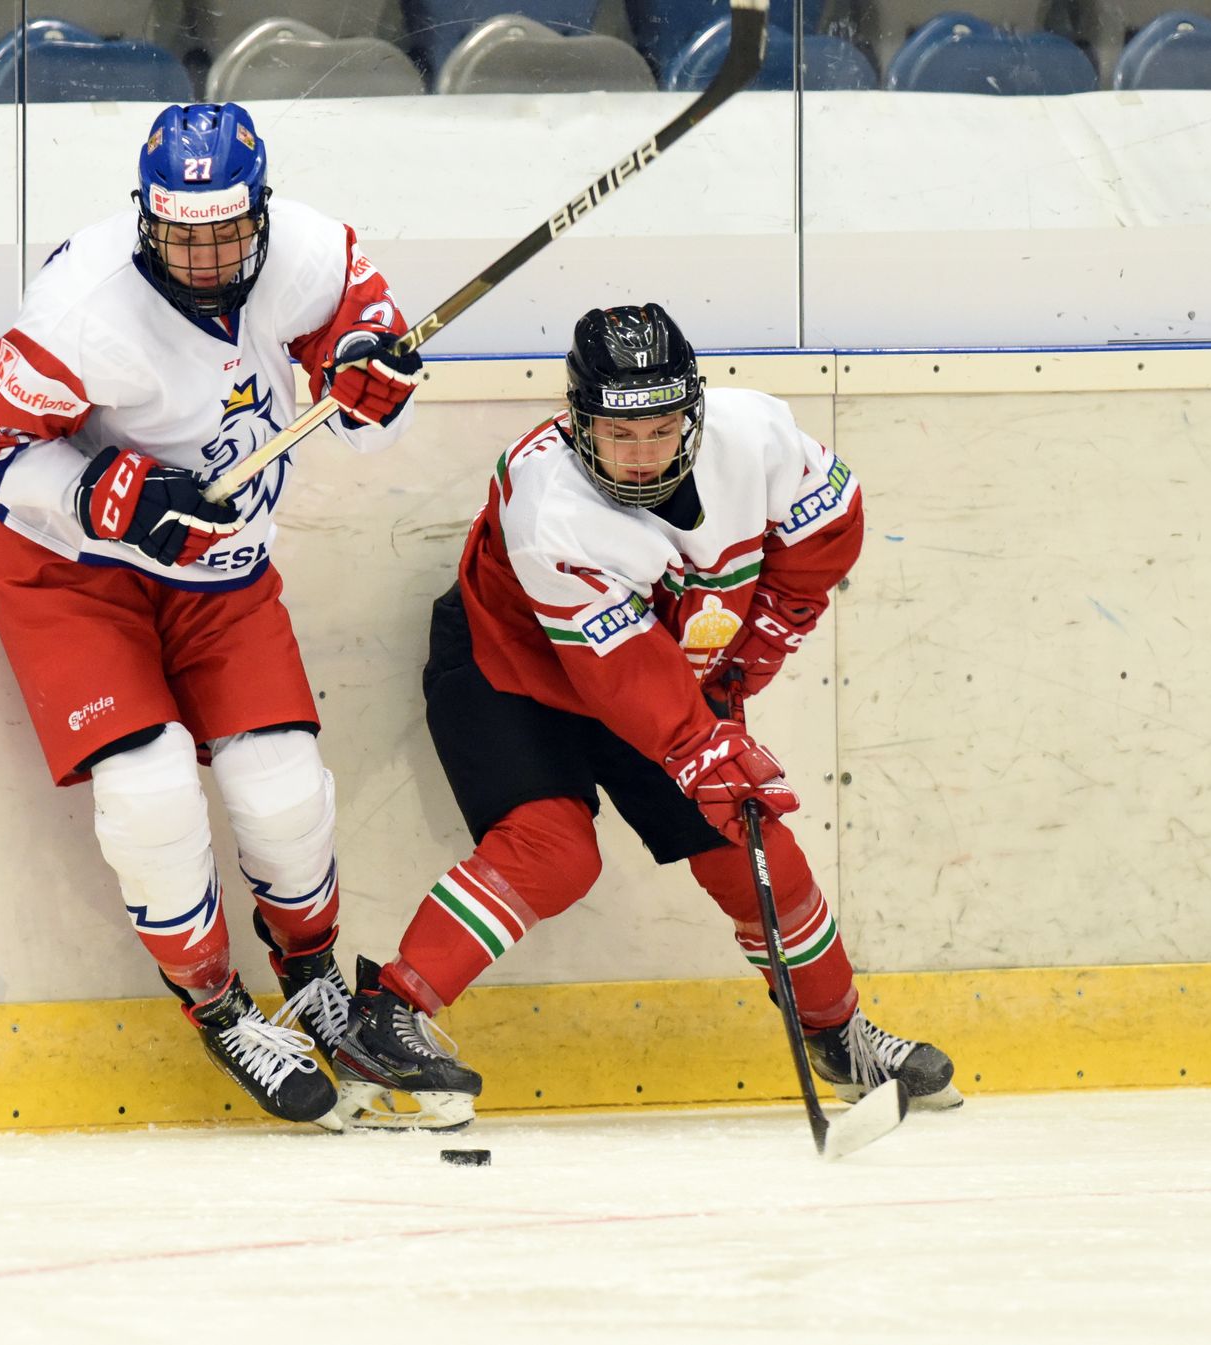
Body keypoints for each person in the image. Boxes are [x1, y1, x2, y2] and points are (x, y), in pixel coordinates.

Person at [327, 303, 961, 1128]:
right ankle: (389, 1017)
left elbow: (830, 525)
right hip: (511, 671)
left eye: (660, 430)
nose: (638, 456)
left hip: (652, 669)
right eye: (616, 436)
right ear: (576, 425)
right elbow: (621, 671)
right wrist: (702, 740)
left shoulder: (757, 434)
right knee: (554, 851)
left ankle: (838, 1035)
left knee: (749, 836)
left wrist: (765, 631)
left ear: (694, 413)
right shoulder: (549, 503)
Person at [0, 103, 430, 1128]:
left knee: (284, 793)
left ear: (259, 213)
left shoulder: (309, 250)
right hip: (73, 570)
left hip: (220, 568)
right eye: (181, 233)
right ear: (144, 219)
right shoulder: (81, 307)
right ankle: (216, 1005)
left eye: (226, 230)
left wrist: (368, 380)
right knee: (151, 788)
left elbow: (359, 352)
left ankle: (311, 979)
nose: (207, 255)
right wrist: (111, 494)